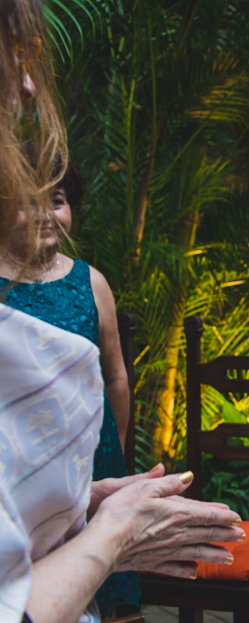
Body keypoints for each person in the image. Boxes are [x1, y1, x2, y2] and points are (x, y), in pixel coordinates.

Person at [0, 0, 242, 621]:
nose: (26, 88)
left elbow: (115, 376)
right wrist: (107, 537)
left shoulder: (90, 283)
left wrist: (84, 509)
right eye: (11, 54)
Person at [0, 158, 140, 616]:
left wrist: (110, 446)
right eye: (28, 203)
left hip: (92, 455)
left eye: (56, 202)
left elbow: (115, 375)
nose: (46, 215)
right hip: (22, 464)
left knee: (102, 572)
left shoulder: (92, 282)